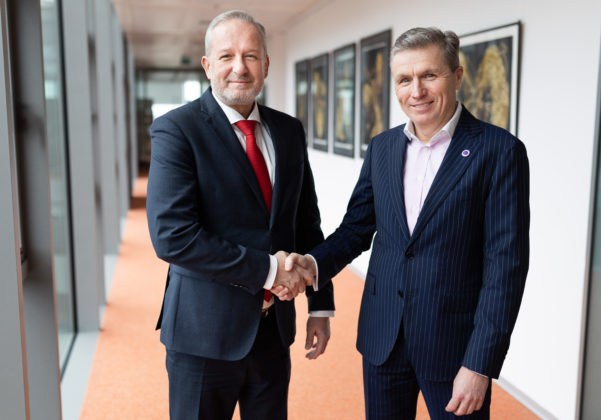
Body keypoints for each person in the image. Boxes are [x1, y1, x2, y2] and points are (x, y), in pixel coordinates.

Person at [283, 27, 530, 419]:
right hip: (384, 336)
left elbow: (506, 267)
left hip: (455, 348)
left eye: (429, 75)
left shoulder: (499, 151)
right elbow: (356, 229)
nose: (417, 91)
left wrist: (480, 364)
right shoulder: (382, 147)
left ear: (457, 76)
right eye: (404, 79)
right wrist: (312, 264)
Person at [146, 10, 334, 420]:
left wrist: (320, 305)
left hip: (272, 331)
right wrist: (270, 270)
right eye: (226, 56)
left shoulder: (288, 131)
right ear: (207, 64)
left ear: (266, 64)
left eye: (250, 56)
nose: (239, 67)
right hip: (203, 333)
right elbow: (174, 236)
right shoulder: (176, 130)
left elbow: (306, 223)